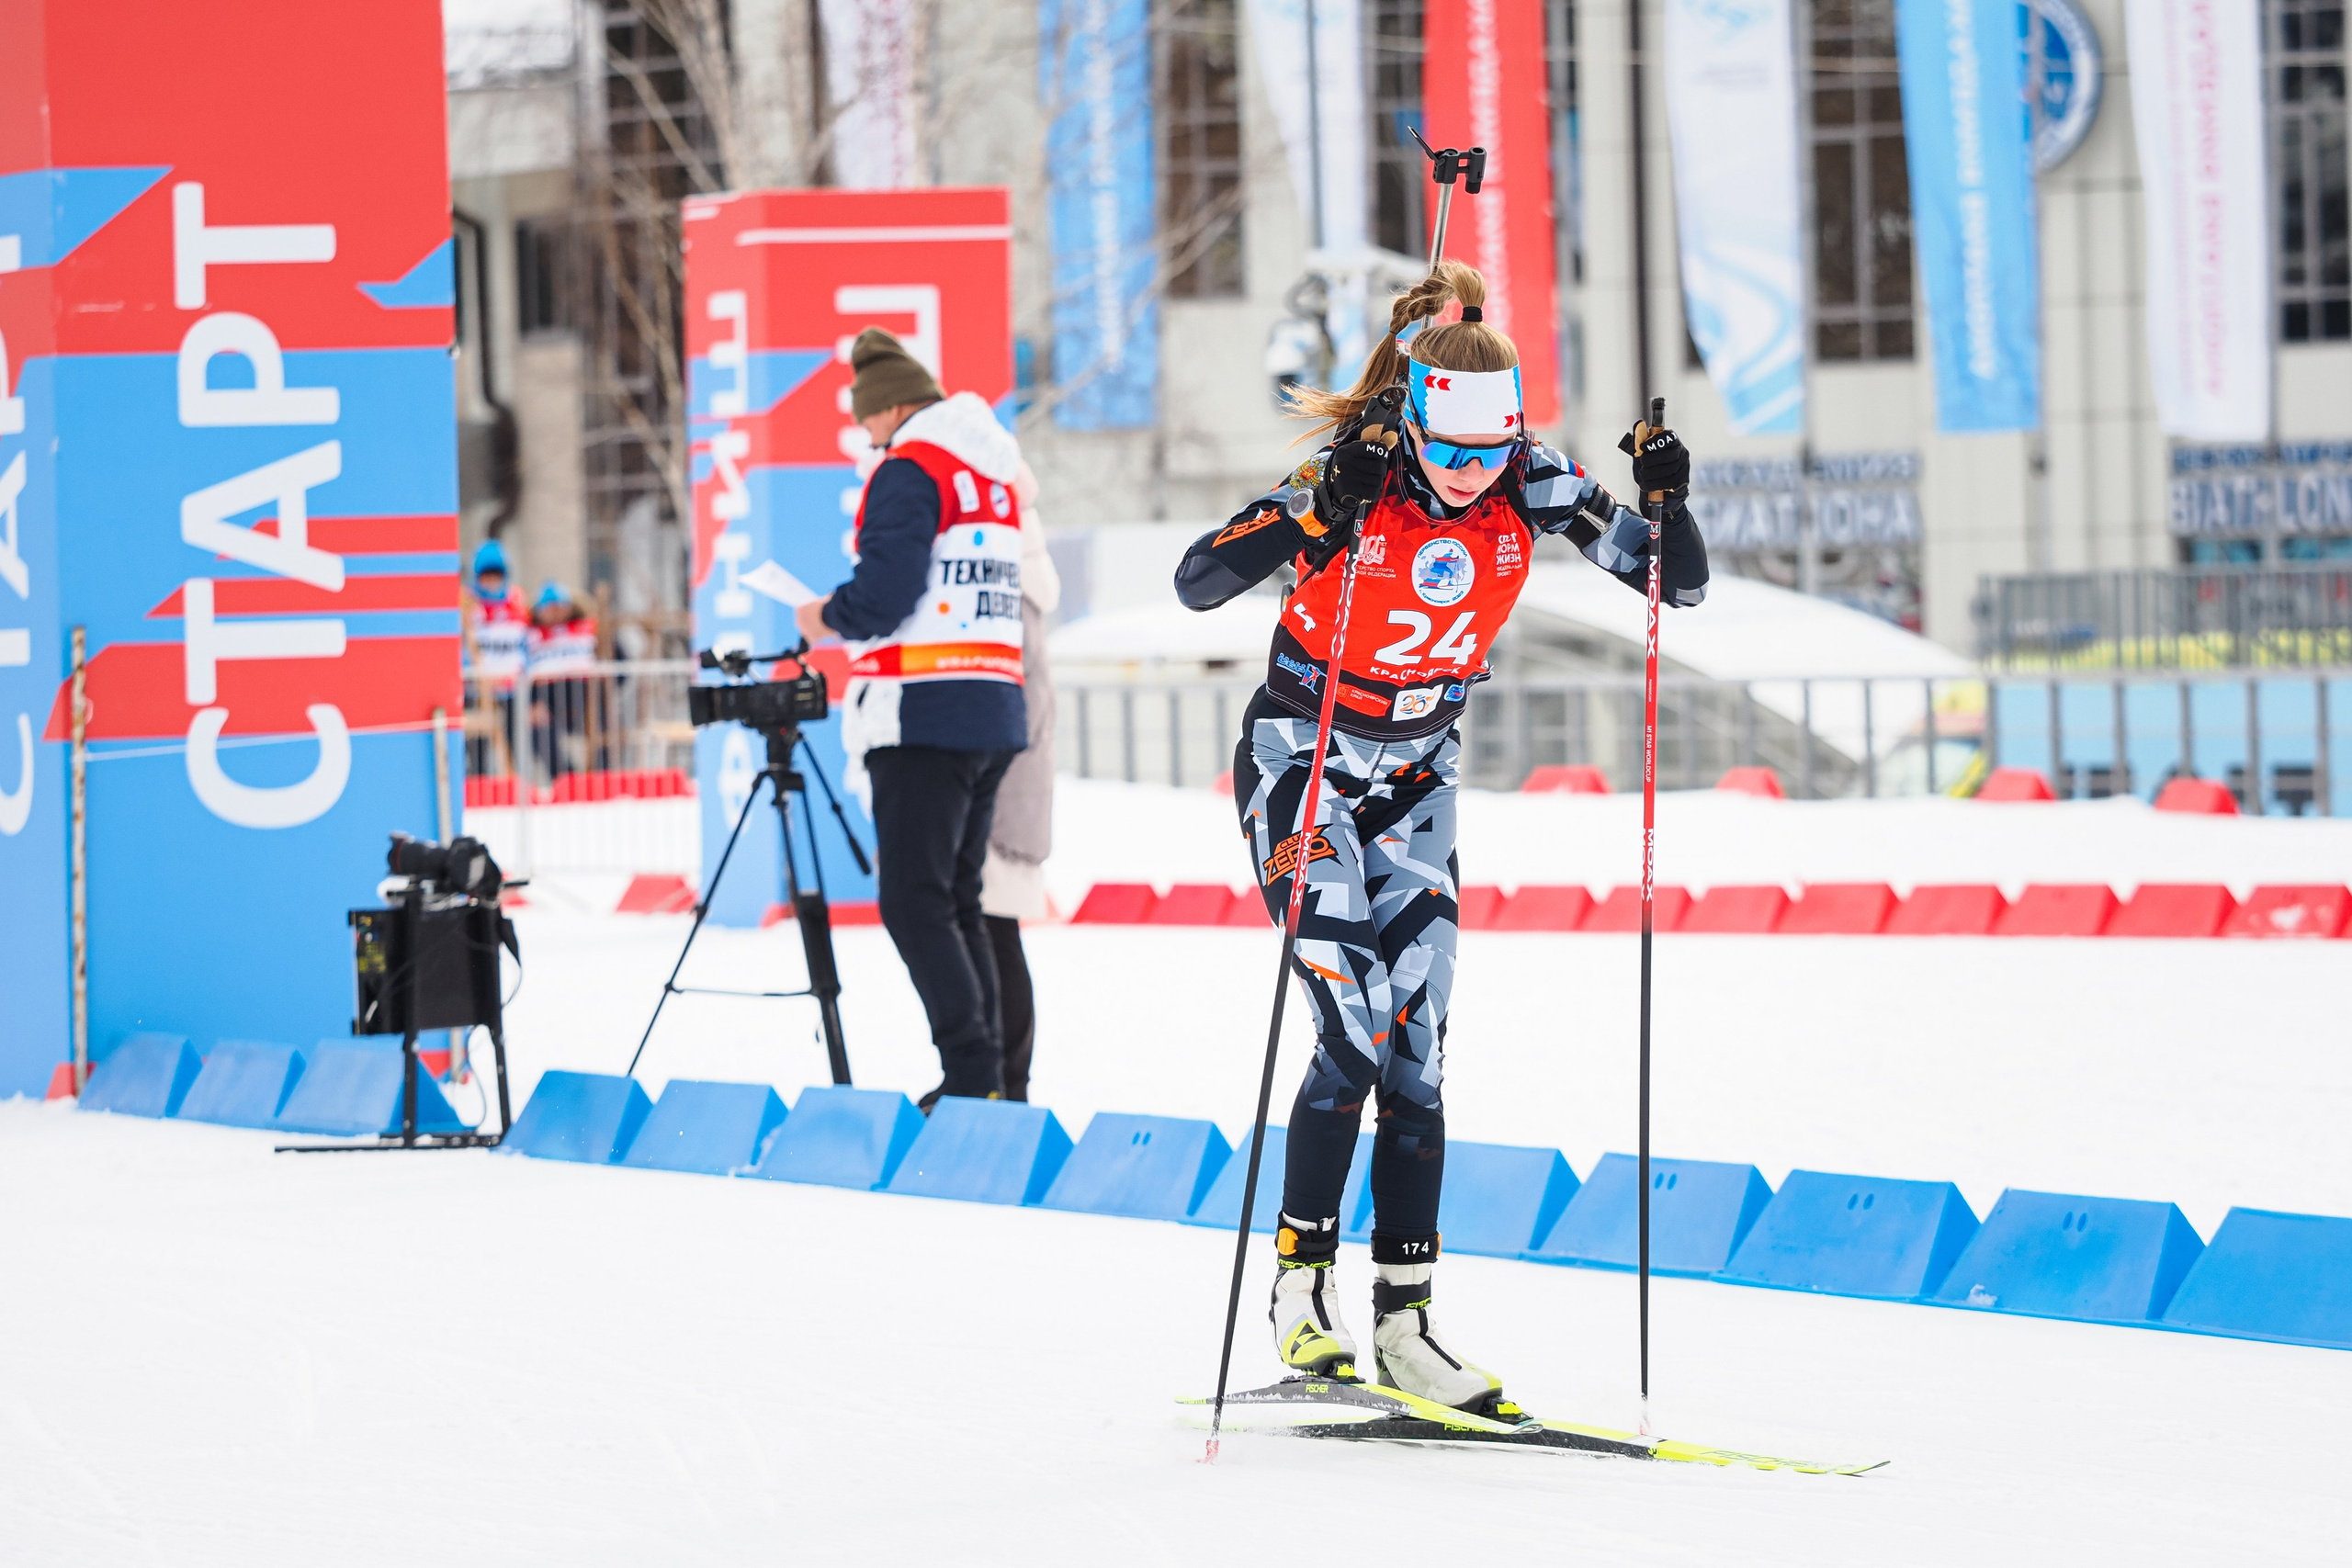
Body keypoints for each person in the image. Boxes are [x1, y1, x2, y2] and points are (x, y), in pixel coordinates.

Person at [1172, 261, 1708, 1416]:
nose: (1472, 480)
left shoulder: (1532, 478)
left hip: (1418, 779)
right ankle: (1297, 1286)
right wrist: (1321, 505)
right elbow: (1199, 582)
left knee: (1418, 1056)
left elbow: (1679, 586)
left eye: (1491, 454)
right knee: (1351, 1035)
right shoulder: (1354, 476)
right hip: (1302, 765)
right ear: (1413, 424)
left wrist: (1667, 502)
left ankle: (1407, 1327)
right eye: (1451, 456)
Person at [793, 328, 1030, 1107]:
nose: (865, 436)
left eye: (865, 420)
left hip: (925, 712)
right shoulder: (988, 473)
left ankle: (970, 1076)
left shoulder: (910, 469)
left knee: (914, 901)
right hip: (992, 705)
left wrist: (824, 615)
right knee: (959, 900)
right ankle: (988, 1078)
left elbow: (887, 595)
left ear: (890, 407)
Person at [979, 485, 1061, 1102]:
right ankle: (998, 1080)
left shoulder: (1012, 596)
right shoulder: (1018, 584)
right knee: (989, 931)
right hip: (1008, 783)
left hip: (1003, 789)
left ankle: (1007, 1084)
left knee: (995, 931)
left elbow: (1026, 704)